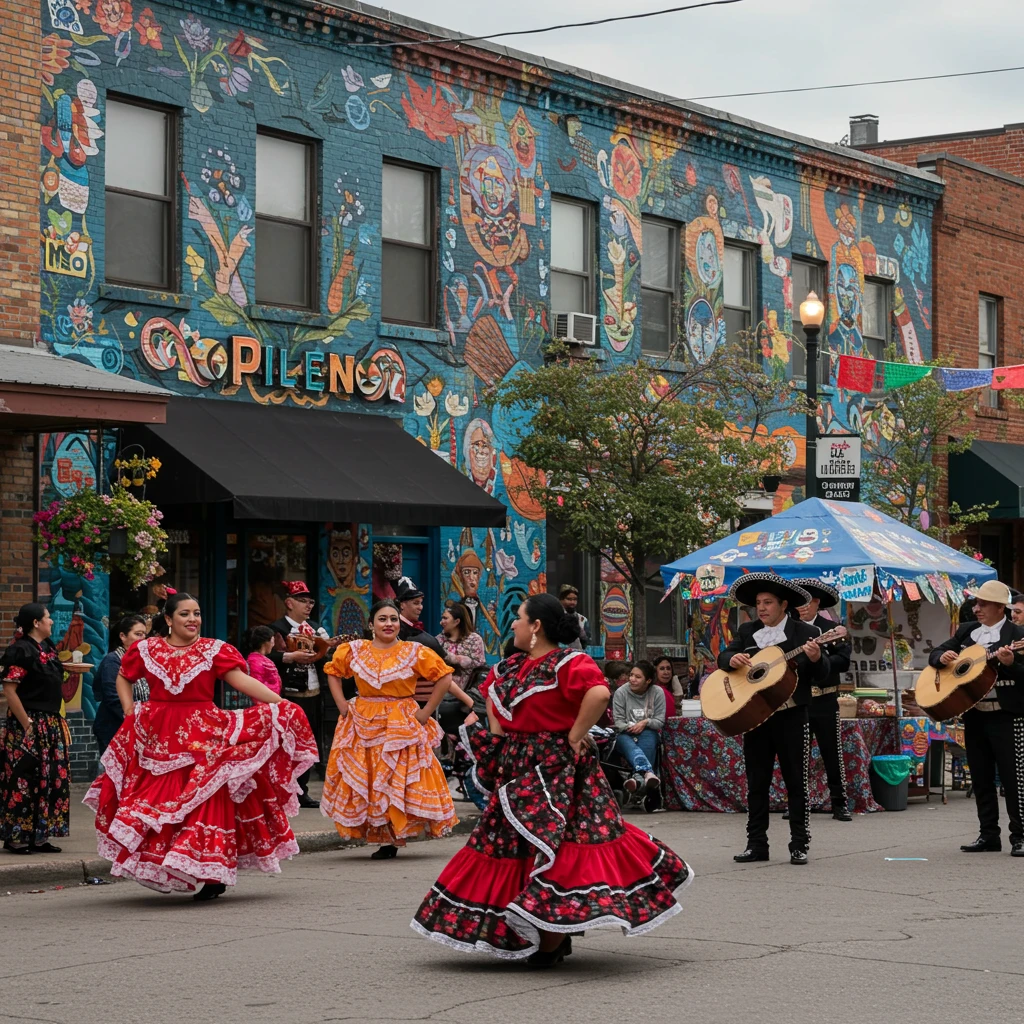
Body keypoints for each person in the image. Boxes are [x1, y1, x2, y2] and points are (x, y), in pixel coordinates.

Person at [412, 593, 692, 966]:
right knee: (514, 848)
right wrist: (499, 738)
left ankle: (552, 938)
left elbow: (599, 693)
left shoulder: (567, 662)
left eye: (519, 617)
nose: (513, 623)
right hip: (519, 766)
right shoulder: (510, 667)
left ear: (536, 626)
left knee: (558, 847)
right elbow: (495, 702)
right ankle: (543, 934)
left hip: (560, 769)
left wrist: (575, 734)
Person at [84, 592, 318, 898]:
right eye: (185, 614)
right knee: (161, 804)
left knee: (206, 799)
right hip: (158, 736)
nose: (193, 619)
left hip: (204, 732)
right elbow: (124, 677)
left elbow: (241, 681)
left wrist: (280, 703)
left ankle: (211, 875)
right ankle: (170, 866)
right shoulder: (147, 649)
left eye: (196, 613)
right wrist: (130, 711)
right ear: (168, 619)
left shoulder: (213, 650)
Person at [320, 599, 457, 859]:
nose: (389, 624)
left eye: (393, 619)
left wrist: (425, 712)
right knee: (371, 778)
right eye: (382, 619)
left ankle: (393, 836)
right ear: (371, 624)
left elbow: (444, 676)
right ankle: (380, 834)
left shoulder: (414, 651)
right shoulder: (355, 650)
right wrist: (342, 705)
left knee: (396, 778)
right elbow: (333, 672)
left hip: (400, 722)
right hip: (363, 720)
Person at [718, 574, 829, 866]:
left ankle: (799, 844)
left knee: (796, 782)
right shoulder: (748, 630)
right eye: (758, 603)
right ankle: (756, 844)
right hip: (755, 717)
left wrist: (817, 658)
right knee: (757, 783)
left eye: (767, 602)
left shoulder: (806, 632)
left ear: (783, 605)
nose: (761, 608)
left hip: (792, 716)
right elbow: (724, 657)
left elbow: (822, 675)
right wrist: (731, 660)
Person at [928, 579, 1024, 857]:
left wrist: (1011, 664)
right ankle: (988, 835)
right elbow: (935, 653)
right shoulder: (967, 631)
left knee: (1014, 779)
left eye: (983, 604)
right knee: (981, 778)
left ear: (1000, 607)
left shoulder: (1018, 634)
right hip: (975, 714)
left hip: (1007, 715)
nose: (976, 608)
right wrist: (941, 657)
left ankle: (1019, 836)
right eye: (976, 603)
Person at [0, 603, 74, 855]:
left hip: (50, 723)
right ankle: (17, 837)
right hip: (29, 723)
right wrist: (27, 724)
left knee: (50, 778)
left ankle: (40, 835)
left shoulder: (48, 648)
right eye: (48, 617)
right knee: (24, 778)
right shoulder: (20, 650)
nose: (51, 621)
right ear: (36, 623)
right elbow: (10, 690)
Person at [268, 581, 340, 808]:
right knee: (285, 744)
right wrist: (290, 657)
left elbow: (327, 659)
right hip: (287, 695)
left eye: (311, 602)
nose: (308, 606)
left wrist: (329, 648)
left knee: (308, 743)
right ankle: (281, 790)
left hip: (314, 694)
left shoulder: (316, 629)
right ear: (289, 603)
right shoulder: (277, 629)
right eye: (303, 601)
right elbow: (262, 657)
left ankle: (302, 791)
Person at [792, 577, 853, 822]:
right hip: (798, 699)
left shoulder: (832, 629)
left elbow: (844, 661)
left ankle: (839, 803)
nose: (804, 607)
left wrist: (820, 660)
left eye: (809, 602)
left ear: (818, 603)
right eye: (801, 603)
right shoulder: (790, 628)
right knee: (796, 755)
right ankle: (797, 804)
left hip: (825, 699)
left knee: (832, 752)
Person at [92, 614, 148, 755]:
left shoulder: (143, 661)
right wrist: (135, 719)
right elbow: (113, 697)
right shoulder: (113, 661)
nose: (142, 639)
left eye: (144, 634)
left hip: (139, 728)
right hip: (114, 728)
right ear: (122, 636)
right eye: (138, 634)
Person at [612, 660, 665, 794]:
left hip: (648, 732)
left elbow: (659, 721)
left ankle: (637, 779)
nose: (632, 679)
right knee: (624, 740)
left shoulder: (657, 692)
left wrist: (645, 722)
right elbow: (619, 722)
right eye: (631, 675)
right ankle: (647, 773)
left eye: (637, 677)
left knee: (649, 736)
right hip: (625, 734)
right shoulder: (620, 693)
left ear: (648, 681)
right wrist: (631, 727)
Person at [436, 603, 486, 692]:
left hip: (467, 691)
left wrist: (456, 659)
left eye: (445, 618)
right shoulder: (439, 640)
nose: (441, 622)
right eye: (442, 618)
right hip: (440, 690)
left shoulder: (474, 639)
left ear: (457, 621)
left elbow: (479, 664)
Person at [243, 625, 282, 696]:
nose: (273, 645)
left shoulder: (259, 660)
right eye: (272, 641)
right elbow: (257, 687)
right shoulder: (255, 662)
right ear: (266, 642)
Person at [558, 584, 591, 648]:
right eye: (569, 599)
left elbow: (587, 642)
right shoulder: (555, 617)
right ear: (561, 600)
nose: (572, 602)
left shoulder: (582, 620)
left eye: (575, 599)